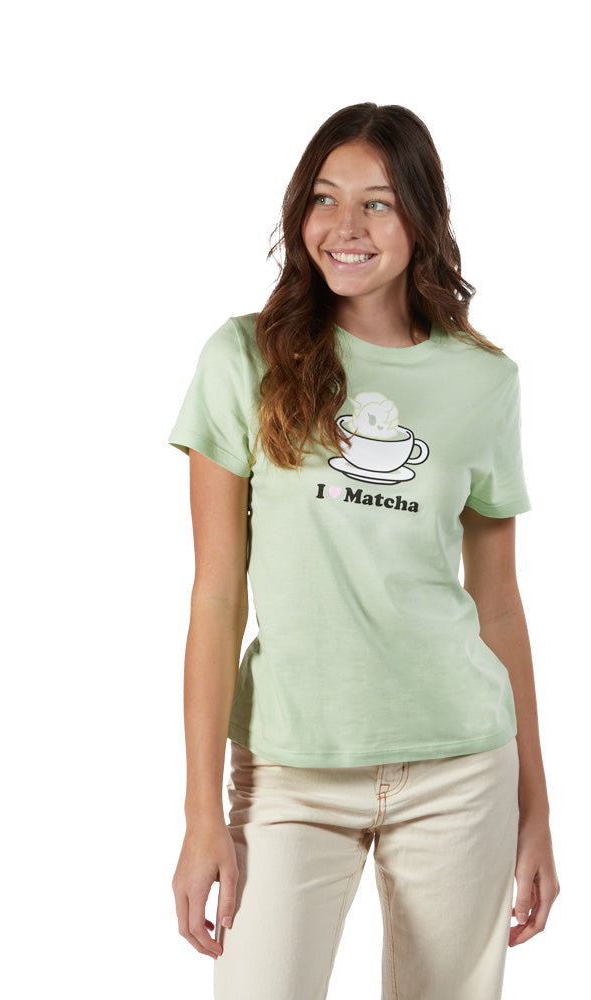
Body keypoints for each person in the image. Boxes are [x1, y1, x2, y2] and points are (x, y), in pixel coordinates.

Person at [168, 102, 559, 1000]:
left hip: (461, 768)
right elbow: (215, 596)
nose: (345, 226)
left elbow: (498, 604)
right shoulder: (244, 358)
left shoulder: (483, 380)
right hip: (290, 770)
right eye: (324, 198)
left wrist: (535, 806)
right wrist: (199, 814)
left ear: (422, 219)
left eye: (377, 203)